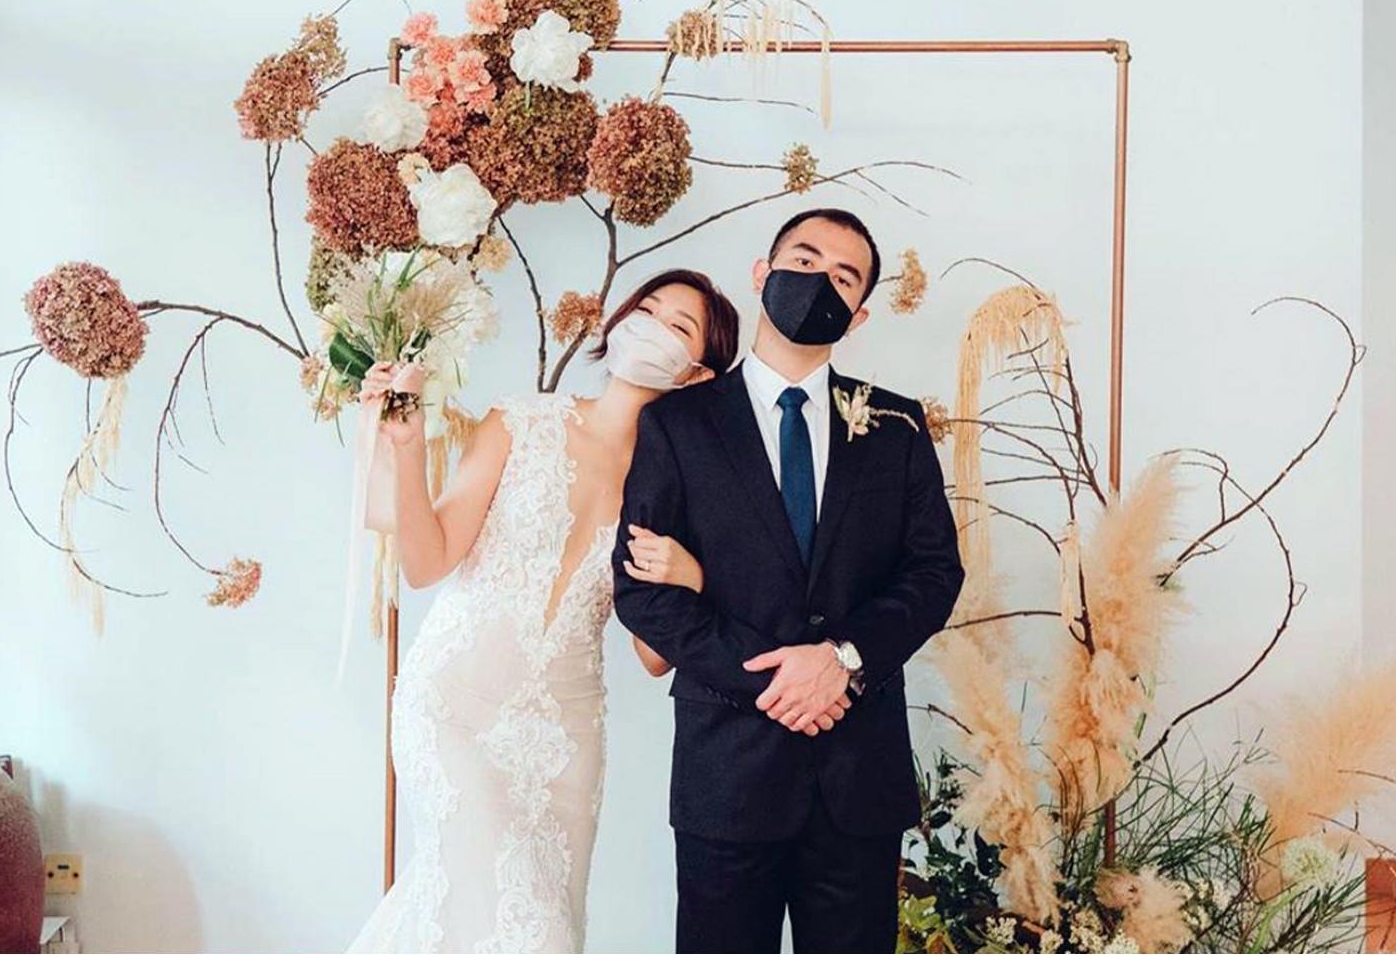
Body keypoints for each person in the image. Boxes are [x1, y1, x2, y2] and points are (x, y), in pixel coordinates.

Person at [346, 269, 741, 954]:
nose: (649, 326)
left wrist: (694, 575)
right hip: (454, 708)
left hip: (565, 744)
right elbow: (428, 561)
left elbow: (653, 657)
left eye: (676, 326)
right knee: (530, 934)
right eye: (644, 309)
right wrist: (407, 453)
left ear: (698, 375)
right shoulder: (520, 421)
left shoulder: (676, 490)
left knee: (474, 922)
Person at [613, 209, 966, 954]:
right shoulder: (678, 425)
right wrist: (781, 680)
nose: (817, 281)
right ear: (761, 274)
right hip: (726, 774)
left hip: (856, 778)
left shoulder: (896, 427)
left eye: (841, 276)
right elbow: (642, 591)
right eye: (803, 260)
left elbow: (935, 573)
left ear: (860, 312)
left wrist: (842, 663)